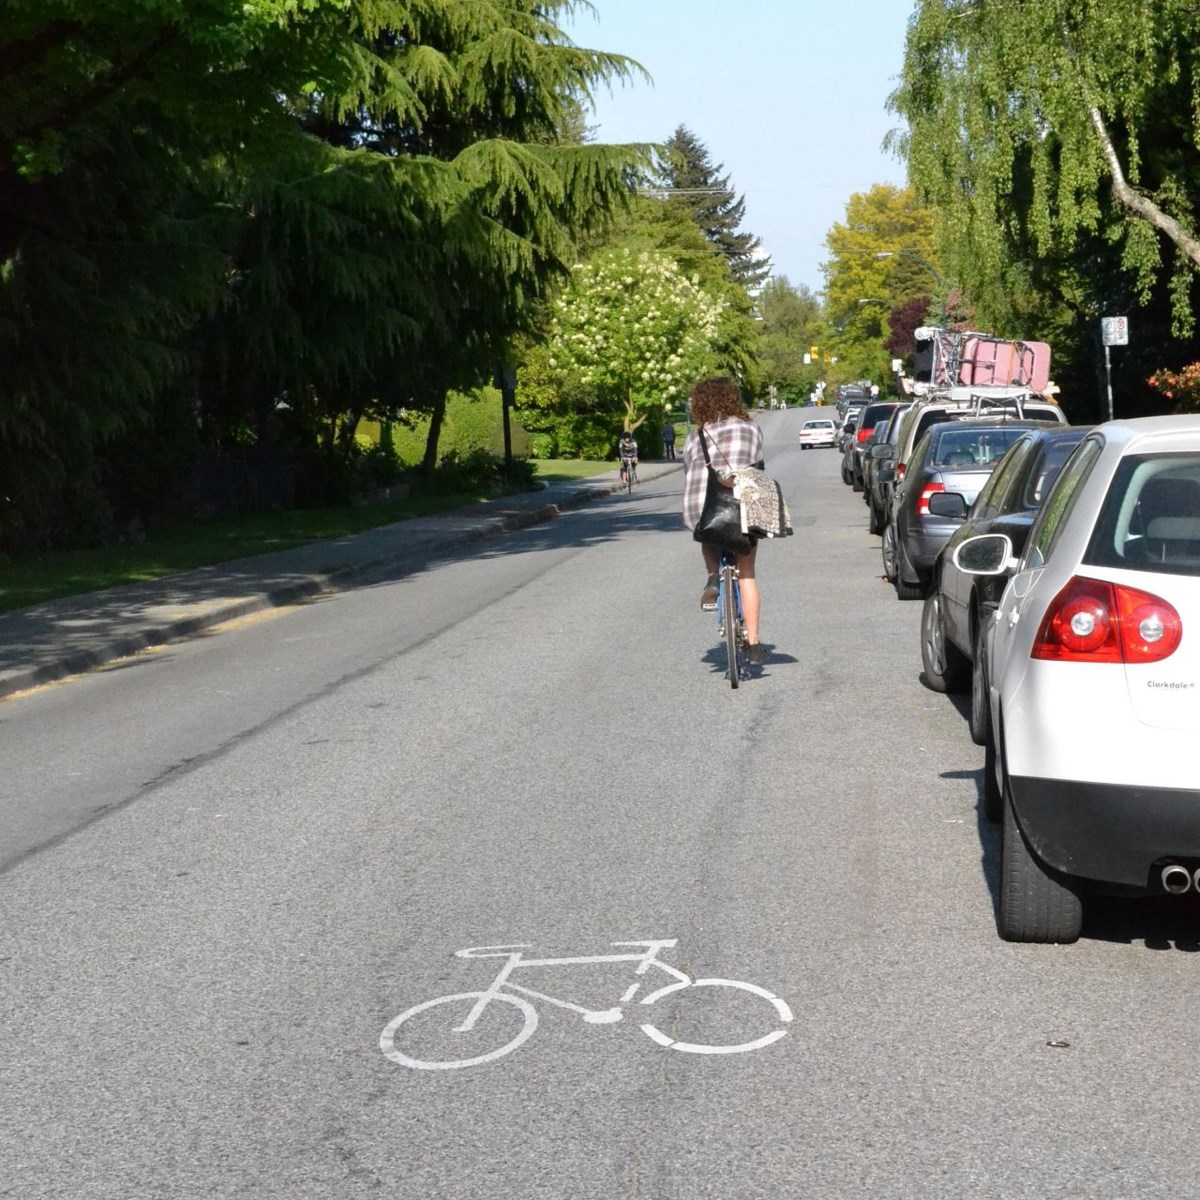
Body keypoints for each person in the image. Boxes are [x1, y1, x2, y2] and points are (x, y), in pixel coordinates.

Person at [681, 376, 768, 664]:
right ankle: (754, 644)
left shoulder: (697, 436)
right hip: (744, 506)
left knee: (707, 532)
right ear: (733, 399)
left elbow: (687, 468)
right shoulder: (750, 429)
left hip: (706, 507)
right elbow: (758, 461)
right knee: (747, 574)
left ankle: (712, 577)